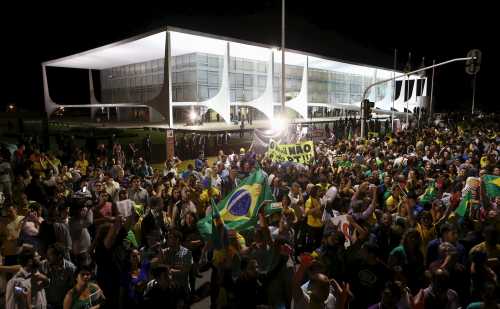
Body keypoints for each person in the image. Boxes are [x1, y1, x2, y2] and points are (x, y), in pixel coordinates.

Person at [39, 243, 76, 309]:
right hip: (46, 304)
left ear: (59, 256)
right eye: (47, 254)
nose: (47, 257)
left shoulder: (70, 269)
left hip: (62, 305)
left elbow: (73, 289)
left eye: (50, 255)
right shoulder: (42, 265)